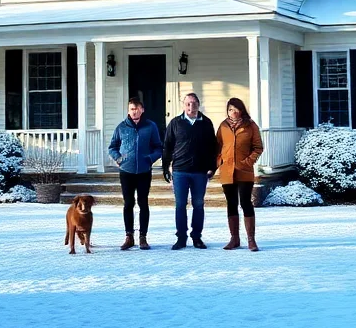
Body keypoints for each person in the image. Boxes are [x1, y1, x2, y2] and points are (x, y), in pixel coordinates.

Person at [161, 91, 219, 249]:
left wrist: (212, 167)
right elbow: (167, 146)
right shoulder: (175, 123)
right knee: (180, 205)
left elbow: (213, 147)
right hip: (180, 171)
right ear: (183, 105)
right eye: (188, 103)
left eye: (194, 103)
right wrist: (166, 167)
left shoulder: (206, 123)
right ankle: (181, 238)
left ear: (198, 105)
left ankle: (197, 237)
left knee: (198, 204)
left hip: (200, 172)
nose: (191, 106)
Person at [107, 97, 163, 250]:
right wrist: (118, 158)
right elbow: (112, 146)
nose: (135, 111)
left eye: (137, 108)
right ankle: (129, 236)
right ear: (128, 110)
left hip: (144, 171)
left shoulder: (150, 126)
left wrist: (150, 159)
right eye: (132, 108)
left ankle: (143, 237)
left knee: (143, 203)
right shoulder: (121, 127)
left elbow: (158, 147)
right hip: (126, 171)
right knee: (128, 204)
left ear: (142, 109)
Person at [216, 97, 264, 251]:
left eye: (236, 109)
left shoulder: (250, 126)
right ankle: (234, 239)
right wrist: (219, 162)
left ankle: (251, 239)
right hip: (227, 171)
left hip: (244, 171)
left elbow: (258, 147)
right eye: (230, 109)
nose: (233, 112)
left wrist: (248, 162)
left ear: (241, 110)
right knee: (231, 204)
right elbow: (217, 147)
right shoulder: (223, 126)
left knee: (245, 203)